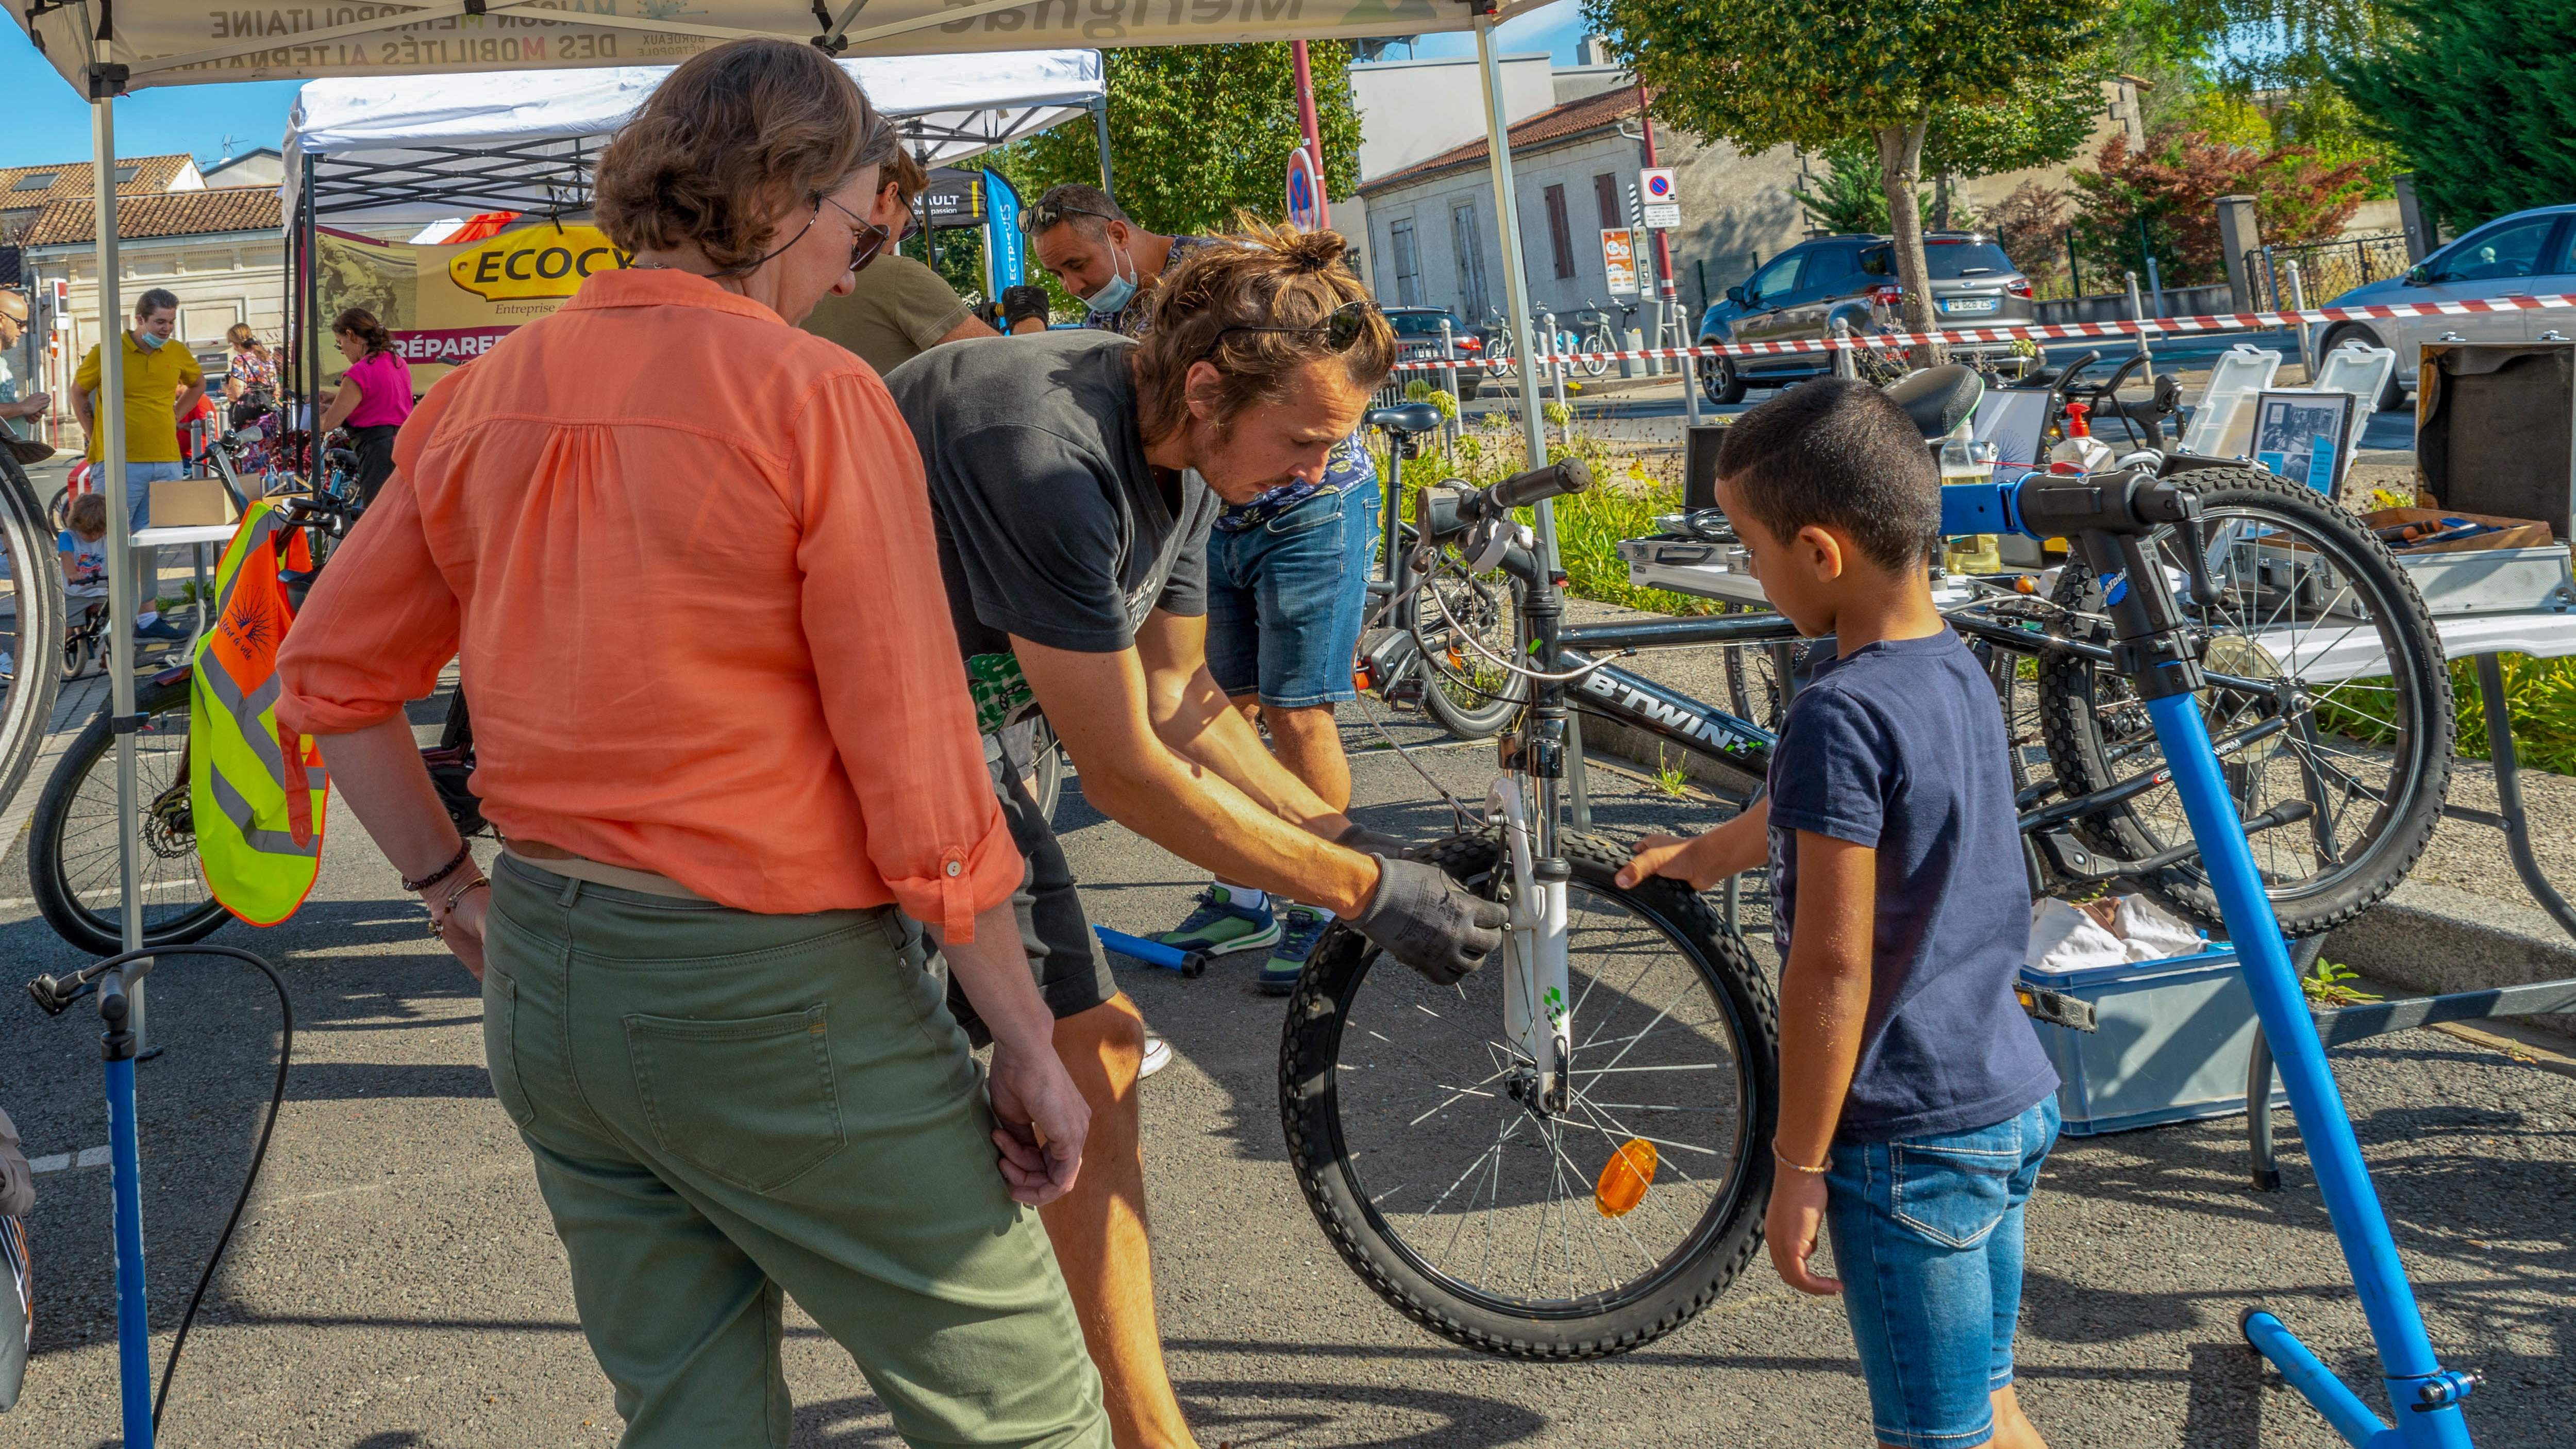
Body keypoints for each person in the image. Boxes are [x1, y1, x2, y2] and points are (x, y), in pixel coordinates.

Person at [274, 38, 1112, 1449]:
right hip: (767, 987)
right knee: (1022, 1412)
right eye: (859, 231)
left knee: (688, 1412)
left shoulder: (484, 390)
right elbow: (918, 767)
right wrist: (1024, 1035)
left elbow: (328, 680)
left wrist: (449, 888)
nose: (851, 273)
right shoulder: (809, 392)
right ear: (782, 196)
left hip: (549, 977)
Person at [883, 223, 1504, 1449]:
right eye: (1306, 442)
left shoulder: (1196, 455)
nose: (1319, 474)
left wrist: (1346, 836)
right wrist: (1364, 889)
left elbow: (1183, 698)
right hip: (820, 750)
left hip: (947, 737)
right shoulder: (1046, 451)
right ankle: (1133, 1427)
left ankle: (1132, 1421)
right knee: (1051, 1064)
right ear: (1210, 389)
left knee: (1091, 1054)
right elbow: (1124, 770)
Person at [1616, 378, 2063, 1449]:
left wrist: (1799, 1164)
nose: (1751, 571)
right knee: (1990, 1403)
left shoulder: (1838, 710)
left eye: (1750, 549)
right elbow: (1816, 811)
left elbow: (1831, 968)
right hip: (2004, 1096)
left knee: (1936, 1436)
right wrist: (1702, 855)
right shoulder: (1951, 666)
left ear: (1818, 552)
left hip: (1907, 1134)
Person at [1025, 184, 1384, 990]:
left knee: (1297, 710)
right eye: (1060, 275)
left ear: (1118, 233)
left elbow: (1324, 395)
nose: (1075, 285)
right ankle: (1248, 893)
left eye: (1079, 263)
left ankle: (1317, 902)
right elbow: (1165, 713)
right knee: (1222, 702)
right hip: (1214, 508)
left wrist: (1356, 864)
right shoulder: (1127, 327)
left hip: (1307, 513)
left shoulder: (1227, 285)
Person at [799, 148, 1009, 373]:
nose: (899, 238)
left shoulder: (795, 268)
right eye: (906, 224)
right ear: (890, 195)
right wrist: (1028, 317)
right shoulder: (899, 277)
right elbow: (1008, 366)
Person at [71, 288, 200, 631]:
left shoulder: (176, 351)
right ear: (139, 319)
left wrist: (174, 415)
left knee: (148, 543)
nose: (166, 329)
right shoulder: (107, 352)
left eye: (171, 322)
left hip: (166, 459)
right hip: (119, 461)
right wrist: (92, 434)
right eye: (160, 322)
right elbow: (79, 391)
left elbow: (198, 384)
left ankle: (147, 616)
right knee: (110, 539)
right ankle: (108, 617)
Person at [314, 308, 413, 506]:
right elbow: (380, 399)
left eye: (340, 342)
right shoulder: (397, 362)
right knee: (400, 511)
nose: (342, 350)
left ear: (351, 334)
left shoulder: (359, 372)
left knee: (377, 514)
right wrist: (336, 398)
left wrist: (316, 414)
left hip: (377, 452)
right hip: (405, 445)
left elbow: (329, 423)